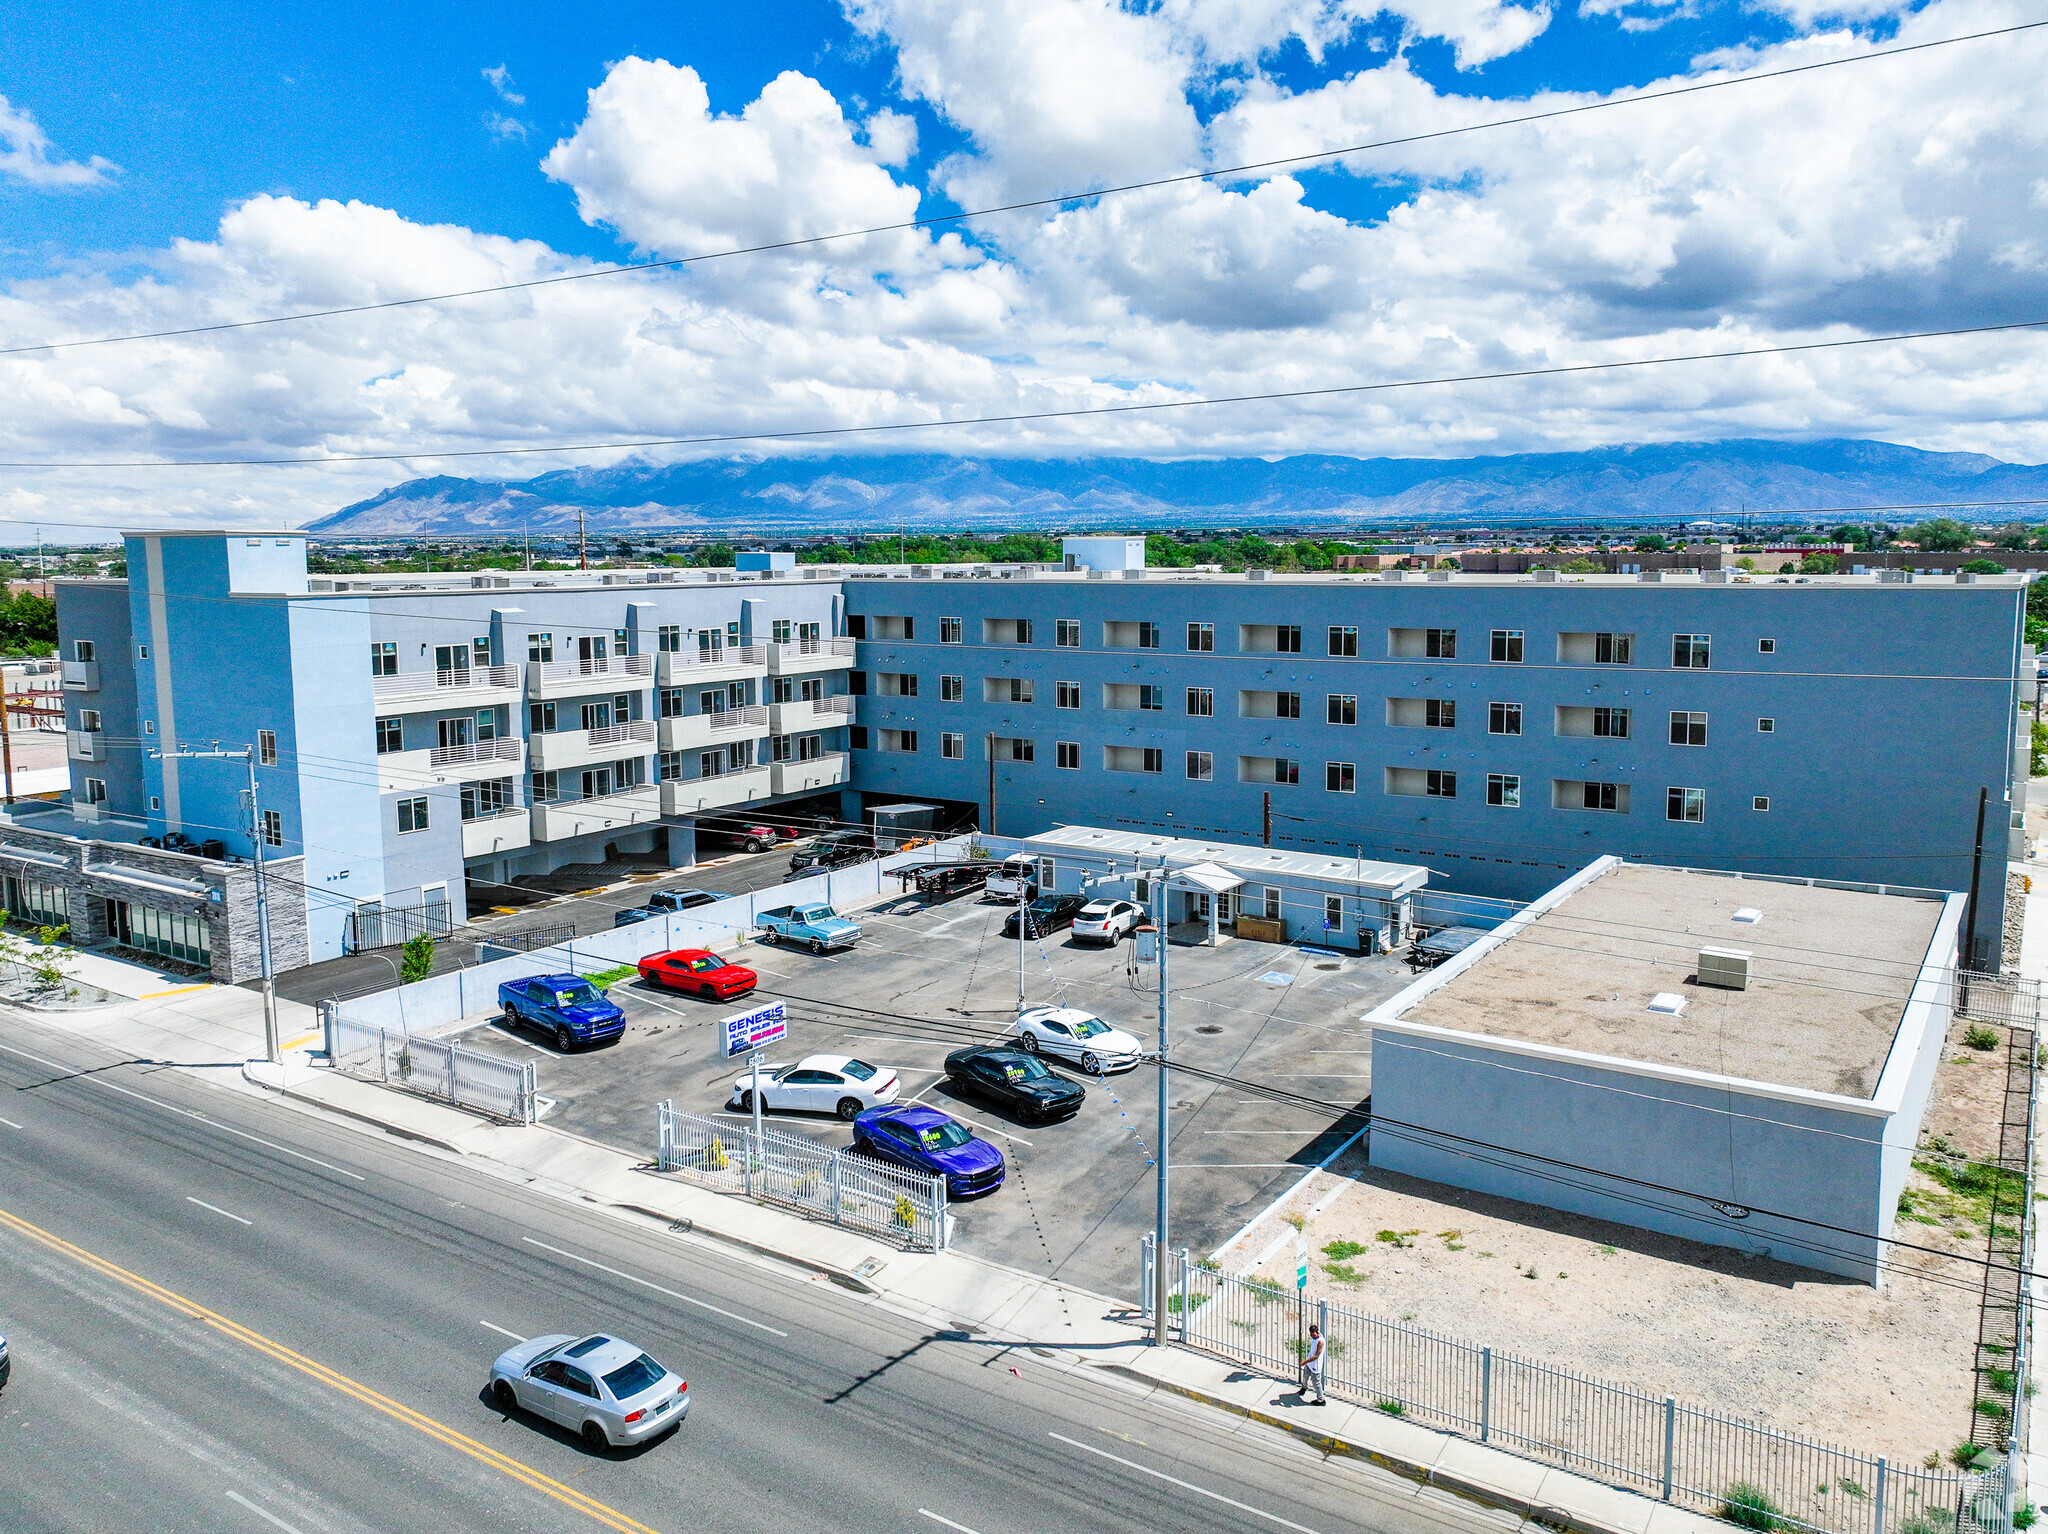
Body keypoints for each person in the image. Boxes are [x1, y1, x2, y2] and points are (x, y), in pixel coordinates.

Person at [1301, 1324, 1326, 1405]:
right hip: (1309, 1363)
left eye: (1314, 1334)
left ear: (1317, 1332)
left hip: (1315, 1365)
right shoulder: (1313, 1337)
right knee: (1305, 1375)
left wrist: (1305, 1362)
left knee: (1316, 1383)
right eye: (1311, 1334)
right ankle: (1304, 1387)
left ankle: (1321, 1399)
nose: (1312, 1336)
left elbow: (1316, 1356)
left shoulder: (1320, 1342)